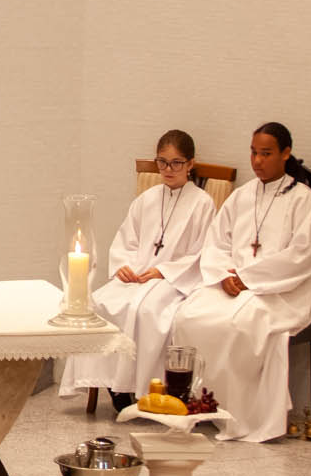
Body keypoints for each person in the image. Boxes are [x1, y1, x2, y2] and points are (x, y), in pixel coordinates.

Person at [169, 123, 311, 443]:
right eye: (253, 153)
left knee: (239, 324)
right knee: (187, 316)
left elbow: (303, 255)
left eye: (266, 153)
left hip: (280, 291)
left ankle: (238, 413)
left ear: (285, 153)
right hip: (233, 284)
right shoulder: (242, 196)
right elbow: (216, 242)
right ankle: (199, 404)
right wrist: (224, 275)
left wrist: (248, 278)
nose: (257, 161)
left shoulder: (303, 199)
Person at [58, 130, 217, 410]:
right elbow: (127, 240)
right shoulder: (147, 199)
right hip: (137, 276)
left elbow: (201, 253)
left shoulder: (202, 203)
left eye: (176, 163)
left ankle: (142, 389)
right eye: (162, 162)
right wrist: (125, 267)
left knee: (146, 311)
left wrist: (163, 271)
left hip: (173, 281)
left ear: (190, 164)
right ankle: (112, 384)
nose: (168, 169)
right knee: (99, 304)